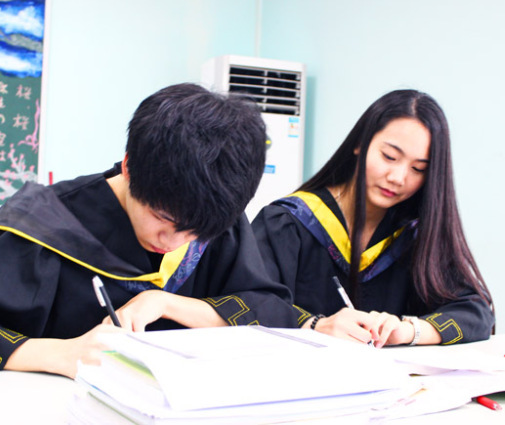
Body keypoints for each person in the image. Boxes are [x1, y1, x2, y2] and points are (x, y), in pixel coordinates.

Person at [0, 83, 300, 378]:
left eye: (196, 232)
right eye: (162, 217)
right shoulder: (41, 222)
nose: (174, 242)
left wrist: (166, 303)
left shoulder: (214, 214)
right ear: (128, 167)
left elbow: (269, 310)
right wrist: (59, 353)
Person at [252, 89, 494, 348]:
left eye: (418, 169)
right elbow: (247, 301)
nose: (398, 178)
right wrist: (315, 325)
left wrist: (409, 330)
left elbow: (475, 312)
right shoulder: (288, 222)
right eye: (389, 156)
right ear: (360, 143)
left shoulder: (415, 235)